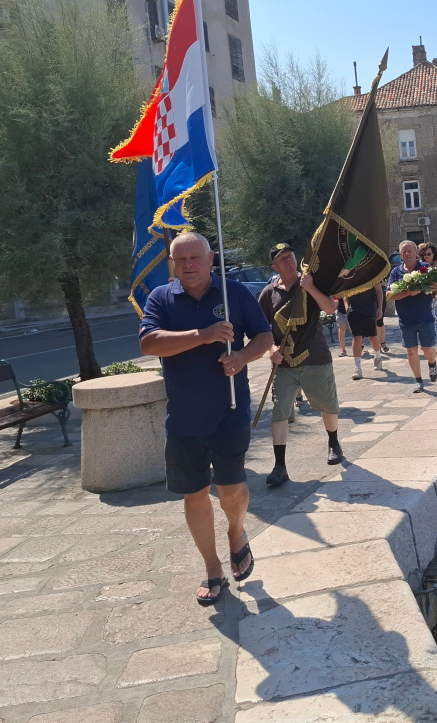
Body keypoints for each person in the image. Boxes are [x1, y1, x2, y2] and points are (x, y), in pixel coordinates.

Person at [139, 232, 274, 603]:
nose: (188, 265)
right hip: (183, 418)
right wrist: (204, 335)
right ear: (172, 263)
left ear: (210, 258)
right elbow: (149, 343)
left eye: (195, 257)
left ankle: (236, 531)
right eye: (180, 259)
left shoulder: (234, 294)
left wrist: (242, 357)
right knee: (195, 494)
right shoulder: (161, 297)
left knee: (231, 489)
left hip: (229, 410)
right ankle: (213, 568)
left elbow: (264, 337)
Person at [258, 243, 344, 488]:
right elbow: (260, 329)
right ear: (274, 266)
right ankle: (280, 466)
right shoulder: (268, 293)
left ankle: (333, 442)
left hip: (315, 357)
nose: (288, 260)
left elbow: (331, 308)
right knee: (280, 412)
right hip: (284, 364)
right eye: (282, 258)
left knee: (328, 405)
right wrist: (271, 349)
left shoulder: (309, 282)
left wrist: (311, 288)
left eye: (290, 255)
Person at [387, 240, 437, 392]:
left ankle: (432, 363)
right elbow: (389, 295)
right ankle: (419, 381)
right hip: (406, 319)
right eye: (404, 252)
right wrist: (408, 292)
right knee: (411, 351)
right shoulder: (396, 272)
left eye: (410, 251)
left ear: (416, 253)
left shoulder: (425, 268)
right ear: (400, 254)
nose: (407, 254)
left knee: (428, 349)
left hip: (425, 317)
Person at [346, 281, 385, 380]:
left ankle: (378, 357)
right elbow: (345, 292)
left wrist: (379, 308)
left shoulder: (371, 274)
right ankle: (357, 368)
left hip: (370, 309)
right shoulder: (349, 276)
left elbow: (379, 291)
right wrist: (347, 307)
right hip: (354, 310)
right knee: (357, 337)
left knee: (372, 337)